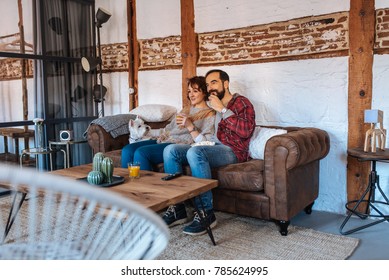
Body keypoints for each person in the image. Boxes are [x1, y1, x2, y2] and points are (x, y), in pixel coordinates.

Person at [162, 69, 256, 235]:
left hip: (233, 151)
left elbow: (246, 131)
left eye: (214, 82)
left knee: (195, 153)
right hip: (212, 146)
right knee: (171, 150)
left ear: (225, 84)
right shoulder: (212, 105)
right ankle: (177, 208)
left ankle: (206, 213)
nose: (210, 87)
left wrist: (223, 110)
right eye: (208, 84)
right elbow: (208, 135)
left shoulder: (241, 102)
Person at [121, 76, 215, 171]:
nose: (191, 95)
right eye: (189, 91)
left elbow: (205, 142)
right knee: (127, 150)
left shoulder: (209, 114)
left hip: (180, 145)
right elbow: (167, 130)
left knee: (141, 153)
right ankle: (126, 185)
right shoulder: (185, 110)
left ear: (204, 92)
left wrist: (190, 125)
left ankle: (143, 185)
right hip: (165, 140)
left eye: (195, 91)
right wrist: (146, 131)